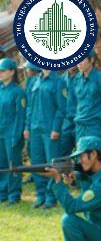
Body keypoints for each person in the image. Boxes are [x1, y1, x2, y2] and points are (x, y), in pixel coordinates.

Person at [26, 66, 67, 209]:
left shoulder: (59, 82)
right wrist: (27, 127)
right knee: (36, 163)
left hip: (50, 129)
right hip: (35, 128)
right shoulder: (34, 81)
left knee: (51, 164)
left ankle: (51, 197)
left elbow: (62, 108)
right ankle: (40, 195)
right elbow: (30, 107)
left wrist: (56, 128)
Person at [70, 49, 101, 148]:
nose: (79, 63)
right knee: (81, 160)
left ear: (91, 60)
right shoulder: (76, 80)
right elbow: (72, 104)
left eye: (82, 60)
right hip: (80, 126)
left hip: (95, 126)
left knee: (97, 158)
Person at [0, 58, 26, 205]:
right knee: (1, 163)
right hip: (0, 133)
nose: (0, 73)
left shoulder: (18, 92)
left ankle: (14, 194)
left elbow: (20, 116)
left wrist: (16, 136)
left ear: (12, 72)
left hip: (12, 134)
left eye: (3, 71)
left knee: (13, 164)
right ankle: (2, 193)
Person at [60, 66, 78, 157]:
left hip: (80, 122)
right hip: (66, 122)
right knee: (63, 155)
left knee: (82, 155)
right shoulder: (61, 80)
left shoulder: (83, 78)